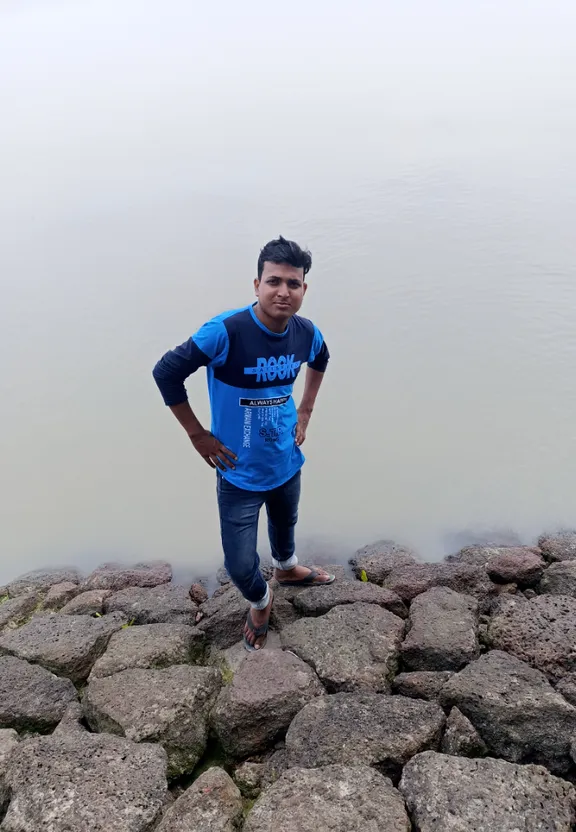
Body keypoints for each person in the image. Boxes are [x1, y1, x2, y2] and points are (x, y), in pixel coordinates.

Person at [152, 236, 334, 650]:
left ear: (305, 289)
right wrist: (197, 434)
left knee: (285, 526)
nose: (283, 292)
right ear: (256, 285)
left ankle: (286, 568)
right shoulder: (225, 332)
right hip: (237, 471)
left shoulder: (306, 333)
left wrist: (305, 411)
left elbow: (322, 358)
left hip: (286, 460)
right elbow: (165, 373)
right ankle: (261, 598)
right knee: (239, 565)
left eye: (293, 283)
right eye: (274, 281)